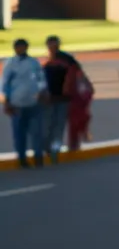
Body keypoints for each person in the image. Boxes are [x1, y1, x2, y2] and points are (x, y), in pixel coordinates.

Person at [1, 39, 47, 168]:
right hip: (17, 103)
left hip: (33, 102)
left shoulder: (33, 62)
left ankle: (38, 157)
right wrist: (6, 102)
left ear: (26, 47)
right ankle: (22, 158)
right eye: (18, 47)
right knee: (19, 133)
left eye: (22, 47)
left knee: (37, 132)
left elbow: (40, 78)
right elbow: (5, 84)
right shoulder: (10, 63)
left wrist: (42, 91)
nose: (20, 49)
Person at [42, 35, 80, 164]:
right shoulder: (49, 61)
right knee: (48, 123)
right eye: (50, 45)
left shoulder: (67, 60)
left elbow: (77, 74)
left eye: (54, 45)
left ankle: (54, 149)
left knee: (59, 124)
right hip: (50, 98)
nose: (52, 47)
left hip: (63, 97)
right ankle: (48, 147)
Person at [66, 59, 94, 149]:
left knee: (83, 119)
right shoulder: (70, 76)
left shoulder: (80, 76)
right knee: (74, 124)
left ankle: (81, 134)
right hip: (75, 102)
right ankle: (74, 143)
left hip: (82, 101)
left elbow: (90, 88)